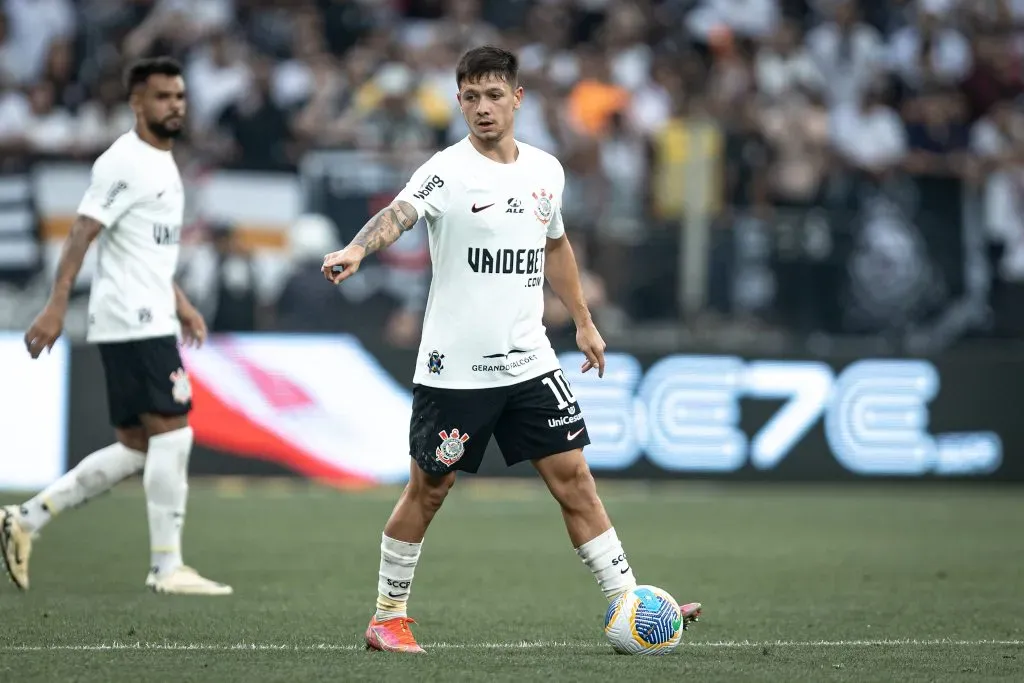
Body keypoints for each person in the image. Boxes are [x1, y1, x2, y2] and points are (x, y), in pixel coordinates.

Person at [321, 46, 701, 654]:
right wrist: (357, 251)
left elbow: (556, 246)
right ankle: (387, 617)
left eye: (494, 95)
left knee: (575, 479)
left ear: (517, 98)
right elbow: (399, 214)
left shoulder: (546, 171)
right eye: (470, 96)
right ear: (459, 102)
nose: (482, 108)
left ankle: (630, 603)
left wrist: (583, 322)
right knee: (429, 491)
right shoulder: (445, 171)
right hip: (456, 370)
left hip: (529, 360)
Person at [0, 57, 232, 597]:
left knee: (135, 446)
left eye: (179, 95)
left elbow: (144, 248)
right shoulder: (123, 161)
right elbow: (82, 232)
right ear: (136, 103)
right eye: (162, 97)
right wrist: (57, 304)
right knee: (175, 434)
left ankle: (24, 519)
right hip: (133, 317)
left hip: (148, 309)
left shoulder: (162, 162)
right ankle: (167, 566)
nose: (174, 104)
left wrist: (182, 303)